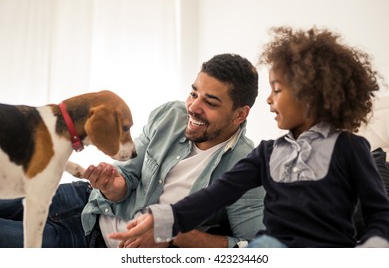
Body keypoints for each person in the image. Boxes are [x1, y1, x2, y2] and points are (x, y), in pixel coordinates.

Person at [109, 26, 389, 248]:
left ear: (310, 98)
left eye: (277, 90)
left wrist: (371, 249)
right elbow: (212, 196)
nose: (267, 101)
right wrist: (162, 220)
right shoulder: (267, 153)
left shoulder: (351, 149)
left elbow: (379, 213)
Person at [0, 53, 265, 248]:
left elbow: (252, 247)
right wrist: (116, 185)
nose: (193, 107)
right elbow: (129, 176)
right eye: (194, 93)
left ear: (240, 114)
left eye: (210, 102)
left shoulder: (246, 168)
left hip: (89, 242)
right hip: (86, 200)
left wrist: (174, 233)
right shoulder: (169, 115)